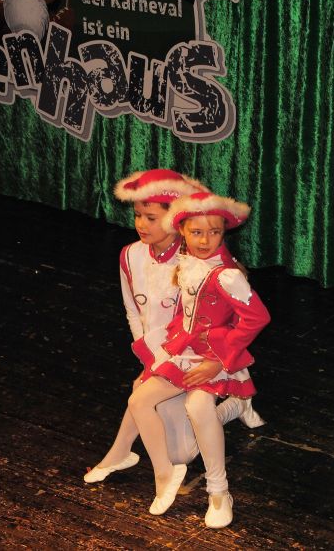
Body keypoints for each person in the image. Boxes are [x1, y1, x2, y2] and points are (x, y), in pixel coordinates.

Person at [84, 171, 262, 485]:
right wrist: (150, 360)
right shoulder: (130, 255)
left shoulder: (196, 259)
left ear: (173, 220)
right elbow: (132, 310)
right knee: (154, 415)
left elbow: (232, 319)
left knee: (182, 452)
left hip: (198, 358)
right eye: (138, 215)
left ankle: (233, 404)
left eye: (151, 218)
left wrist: (219, 360)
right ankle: (120, 452)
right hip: (162, 357)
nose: (141, 224)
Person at [126, 191, 271, 529]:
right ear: (183, 231)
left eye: (214, 232)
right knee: (139, 400)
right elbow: (187, 311)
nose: (205, 240)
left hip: (215, 355)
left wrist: (219, 361)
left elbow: (257, 317)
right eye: (197, 232)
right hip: (186, 350)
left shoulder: (227, 275)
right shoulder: (188, 263)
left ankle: (219, 491)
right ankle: (165, 473)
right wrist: (170, 347)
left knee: (197, 407)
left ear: (224, 232)